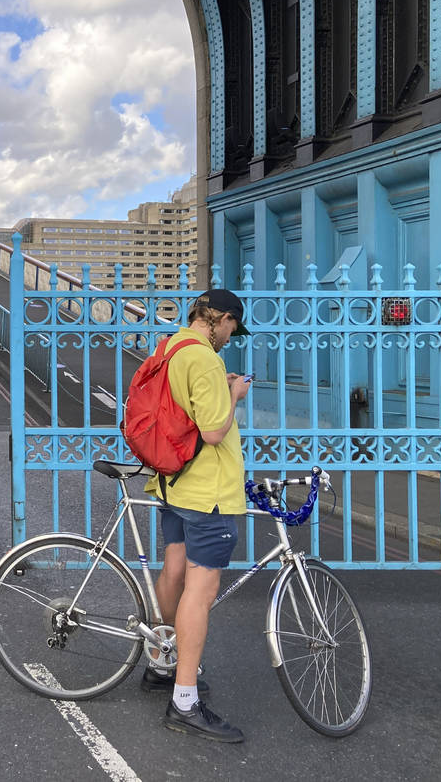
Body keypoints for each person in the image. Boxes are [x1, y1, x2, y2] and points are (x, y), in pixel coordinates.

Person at [139, 289, 251, 744]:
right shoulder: (206, 359)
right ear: (221, 319)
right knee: (200, 591)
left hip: (173, 480)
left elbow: (184, 408)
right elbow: (212, 429)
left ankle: (162, 664)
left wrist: (218, 394)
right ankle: (184, 701)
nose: (230, 338)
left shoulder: (170, 347)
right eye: (231, 329)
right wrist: (235, 395)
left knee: (175, 570)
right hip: (208, 490)